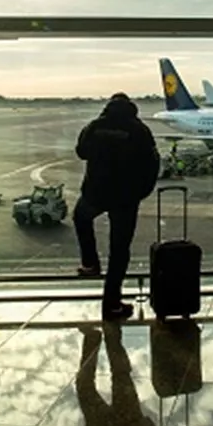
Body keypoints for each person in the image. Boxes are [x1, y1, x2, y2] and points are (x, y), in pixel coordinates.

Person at [73, 92, 160, 321]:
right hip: (125, 198)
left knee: (81, 218)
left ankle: (90, 262)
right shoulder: (139, 130)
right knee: (119, 251)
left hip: (96, 193)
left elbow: (81, 152)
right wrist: (141, 192)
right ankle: (111, 304)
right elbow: (152, 163)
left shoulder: (95, 126)